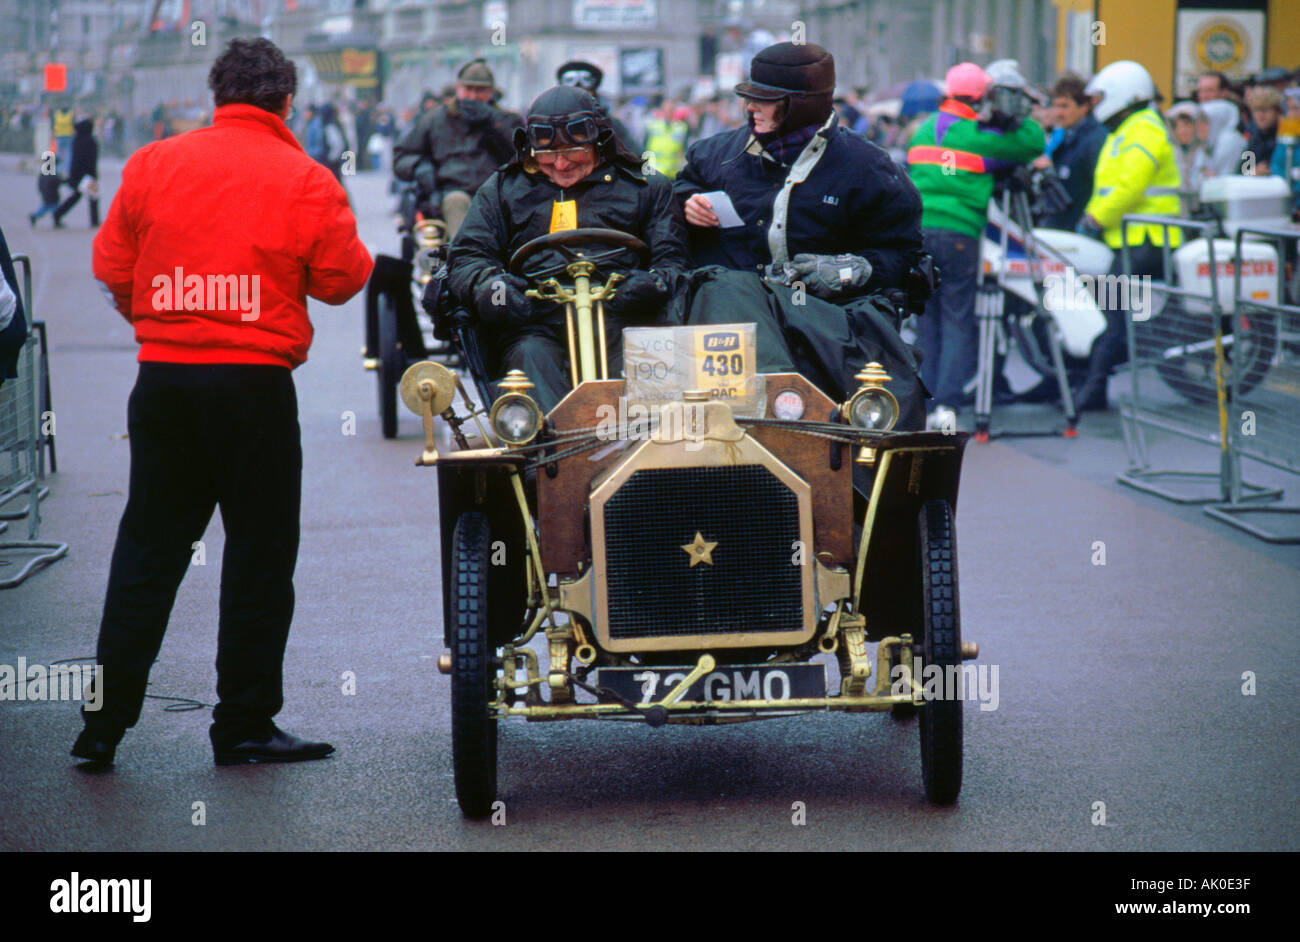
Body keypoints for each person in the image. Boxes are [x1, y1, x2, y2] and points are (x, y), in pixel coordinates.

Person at [74, 37, 373, 768]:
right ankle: (242, 722)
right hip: (253, 389)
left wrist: (161, 321)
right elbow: (341, 277)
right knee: (260, 557)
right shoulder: (303, 175)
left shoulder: (153, 162)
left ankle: (102, 724)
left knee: (147, 551)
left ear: (216, 95)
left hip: (165, 381)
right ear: (287, 102)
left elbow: (111, 263)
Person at [673, 41, 928, 421]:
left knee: (888, 417)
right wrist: (687, 201)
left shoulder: (871, 169)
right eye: (749, 97)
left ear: (801, 103)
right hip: (722, 338)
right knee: (727, 287)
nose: (750, 107)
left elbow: (906, 260)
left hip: (822, 332)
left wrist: (851, 269)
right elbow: (679, 191)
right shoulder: (713, 154)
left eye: (765, 99)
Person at [446, 85, 688, 413]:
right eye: (548, 155)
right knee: (529, 357)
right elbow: (469, 255)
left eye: (572, 153)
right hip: (535, 322)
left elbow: (673, 258)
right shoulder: (503, 189)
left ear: (599, 142)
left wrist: (655, 282)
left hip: (626, 319)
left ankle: (645, 448)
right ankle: (552, 452)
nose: (560, 165)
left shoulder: (648, 187)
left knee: (650, 359)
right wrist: (492, 288)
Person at [906, 61, 1044, 428]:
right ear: (983, 97)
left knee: (928, 322)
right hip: (960, 236)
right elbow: (1033, 142)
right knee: (957, 319)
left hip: (918, 234)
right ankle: (947, 406)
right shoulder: (977, 135)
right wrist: (1012, 113)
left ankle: (926, 400)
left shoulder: (920, 131)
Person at [1073, 60, 1182, 411]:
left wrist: (1095, 217)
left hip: (1147, 238)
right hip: (1126, 237)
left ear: (1122, 93)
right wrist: (1093, 216)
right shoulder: (1125, 130)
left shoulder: (1145, 127)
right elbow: (1108, 186)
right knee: (1109, 306)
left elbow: (1130, 185)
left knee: (1115, 309)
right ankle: (1087, 382)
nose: (1097, 103)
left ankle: (1093, 390)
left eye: (1102, 96)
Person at [393, 59, 523, 238]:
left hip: (497, 194)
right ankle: (464, 259)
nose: (473, 96)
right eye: (468, 89)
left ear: (491, 93)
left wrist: (494, 124)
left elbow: (525, 156)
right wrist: (419, 166)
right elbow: (402, 156)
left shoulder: (507, 120)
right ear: (458, 89)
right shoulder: (435, 119)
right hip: (450, 193)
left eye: (480, 91)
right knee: (457, 202)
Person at [1038, 73, 1108, 231]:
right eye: (1056, 106)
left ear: (1084, 106)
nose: (1058, 113)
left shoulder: (1095, 140)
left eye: (1065, 106)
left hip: (1080, 235)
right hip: (1065, 230)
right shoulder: (1067, 136)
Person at [556, 59, 642, 153]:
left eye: (584, 94)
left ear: (594, 95)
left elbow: (636, 156)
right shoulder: (549, 122)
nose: (577, 100)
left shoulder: (610, 125)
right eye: (572, 94)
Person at [51, 117, 100, 228]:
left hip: (76, 175)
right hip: (88, 175)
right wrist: (94, 175)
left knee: (76, 197)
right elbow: (91, 161)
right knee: (92, 198)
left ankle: (57, 214)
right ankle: (95, 221)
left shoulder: (77, 140)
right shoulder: (90, 141)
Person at [1242, 85, 1282, 173]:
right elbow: (1245, 169)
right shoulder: (1255, 138)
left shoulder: (1283, 137)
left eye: (1265, 110)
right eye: (1256, 111)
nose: (1260, 116)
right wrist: (1253, 172)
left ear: (1277, 111)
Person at [1201, 98, 1246, 177]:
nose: (1201, 127)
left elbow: (1224, 175)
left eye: (1206, 122)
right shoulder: (1209, 141)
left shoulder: (1230, 141)